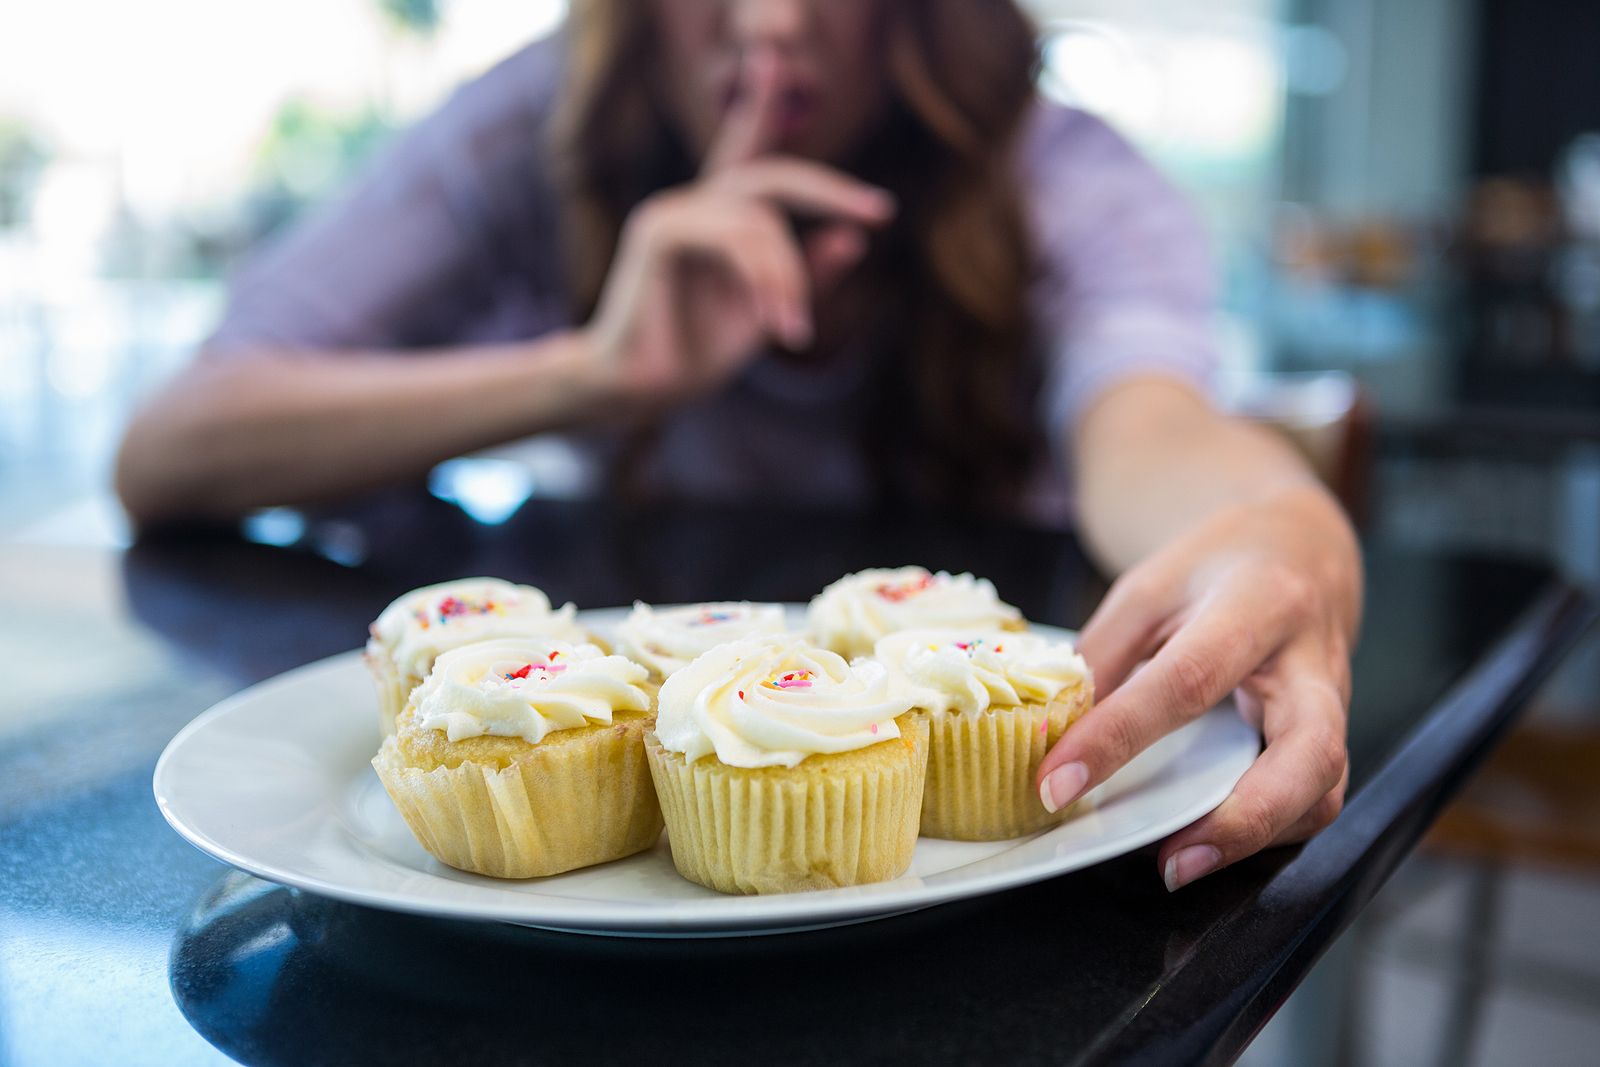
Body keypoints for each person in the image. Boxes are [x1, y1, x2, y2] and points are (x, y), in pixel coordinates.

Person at [115, 0, 1361, 892]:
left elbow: (1144, 422)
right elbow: (171, 446)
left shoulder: (1063, 173)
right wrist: (589, 370)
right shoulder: (533, 129)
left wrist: (1276, 517)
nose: (770, 24)